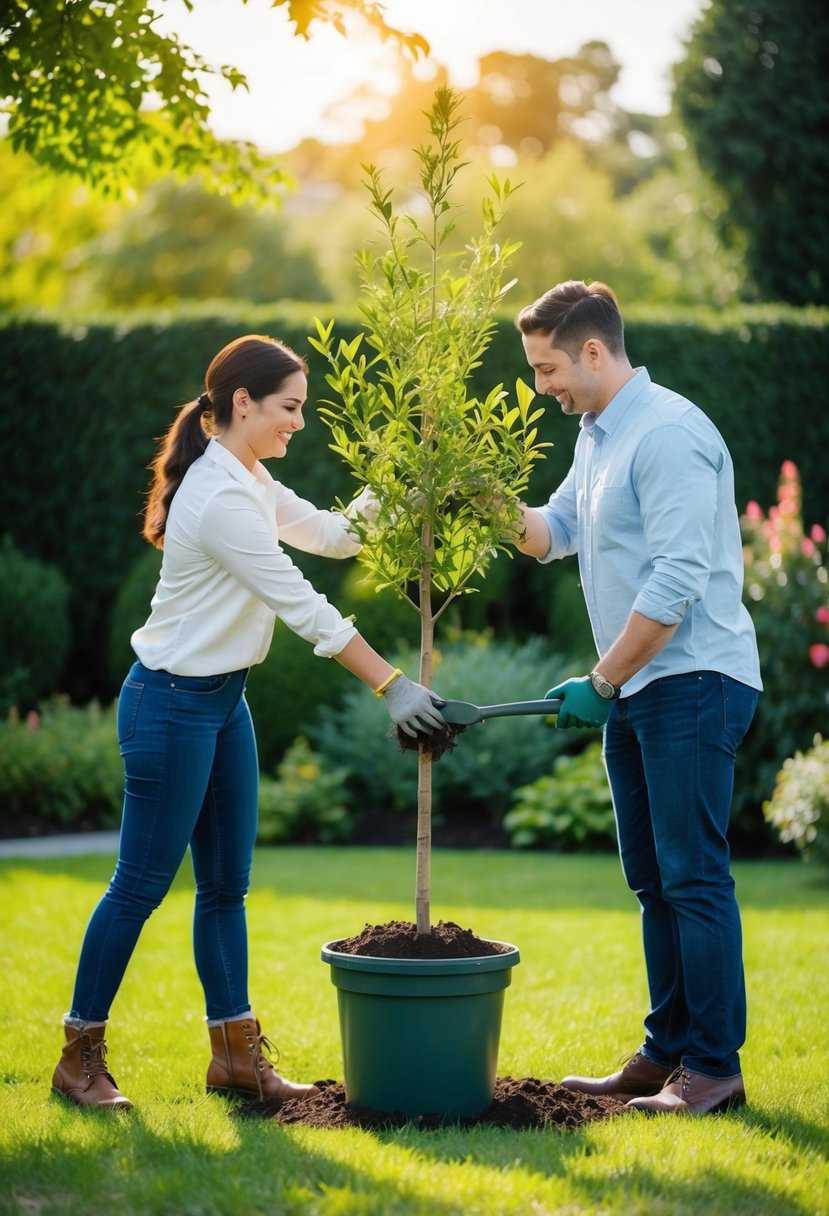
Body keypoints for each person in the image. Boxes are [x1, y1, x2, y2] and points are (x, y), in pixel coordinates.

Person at [51, 334, 444, 1111]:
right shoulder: (220, 498)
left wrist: (398, 477)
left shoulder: (250, 478)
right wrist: (392, 685)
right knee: (138, 886)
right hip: (168, 705)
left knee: (227, 886)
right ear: (242, 403)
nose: (298, 423)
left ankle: (234, 1058)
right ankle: (78, 1055)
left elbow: (334, 536)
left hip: (224, 704)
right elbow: (305, 607)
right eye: (290, 408)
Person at [512, 281, 762, 1116]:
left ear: (592, 350)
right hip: (636, 685)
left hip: (690, 679)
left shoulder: (667, 434)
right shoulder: (596, 437)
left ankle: (712, 1069)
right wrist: (482, 501)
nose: (541, 386)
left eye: (547, 368)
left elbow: (678, 580)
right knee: (652, 881)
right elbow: (553, 533)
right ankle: (665, 1052)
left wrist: (600, 679)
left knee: (692, 878)